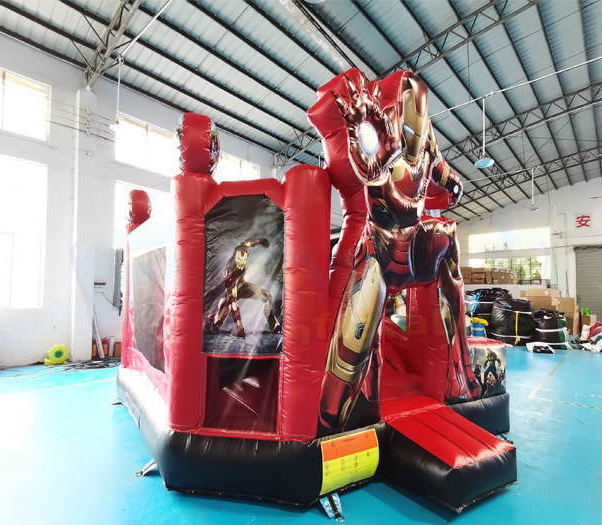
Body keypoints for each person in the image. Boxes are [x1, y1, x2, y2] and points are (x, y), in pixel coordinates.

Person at [309, 69, 480, 436]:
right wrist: (366, 144)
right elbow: (367, 166)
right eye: (410, 104)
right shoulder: (382, 144)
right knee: (345, 365)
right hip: (380, 250)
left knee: (448, 235)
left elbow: (449, 184)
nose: (416, 118)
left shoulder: (428, 151)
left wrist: (453, 186)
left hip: (413, 246)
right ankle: (335, 413)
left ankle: (459, 369)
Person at [204, 238, 281, 337]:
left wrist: (260, 241)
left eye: (244, 258)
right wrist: (239, 327)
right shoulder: (229, 272)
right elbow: (233, 301)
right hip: (230, 294)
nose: (242, 261)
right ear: (235, 258)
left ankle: (273, 324)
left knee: (267, 296)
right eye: (239, 259)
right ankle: (211, 317)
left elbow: (248, 244)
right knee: (217, 324)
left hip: (243, 287)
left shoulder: (242, 250)